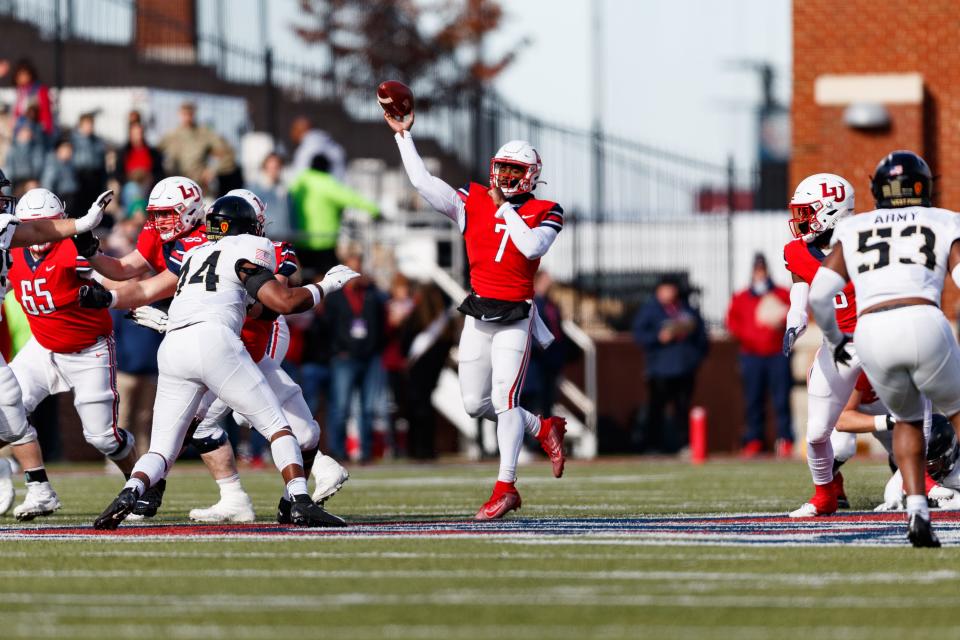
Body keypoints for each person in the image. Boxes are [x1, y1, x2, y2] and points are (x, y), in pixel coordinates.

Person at [92, 195, 360, 529]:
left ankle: (133, 490)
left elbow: (161, 291)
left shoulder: (192, 253)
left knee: (164, 446)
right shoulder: (252, 250)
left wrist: (111, 295)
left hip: (177, 344)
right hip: (221, 343)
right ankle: (299, 499)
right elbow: (280, 302)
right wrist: (326, 285)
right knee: (277, 426)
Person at [386, 108, 568, 520]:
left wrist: (504, 208)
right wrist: (403, 137)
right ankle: (542, 427)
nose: (503, 177)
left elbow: (531, 248)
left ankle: (506, 486)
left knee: (505, 400)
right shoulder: (472, 201)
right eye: (501, 168)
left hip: (516, 315)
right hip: (479, 310)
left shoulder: (546, 209)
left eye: (513, 169)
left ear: (530, 174)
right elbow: (422, 182)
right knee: (473, 402)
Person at [808, 150, 960, 547]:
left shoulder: (853, 228)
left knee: (907, 420)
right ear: (923, 187)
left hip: (871, 330)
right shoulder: (944, 220)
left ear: (878, 191)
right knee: (957, 410)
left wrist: (835, 339)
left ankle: (917, 512)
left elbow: (821, 295)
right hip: (923, 318)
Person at [5, 187, 138, 517]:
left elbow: (115, 283)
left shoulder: (73, 248)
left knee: (103, 438)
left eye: (47, 222)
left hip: (88, 349)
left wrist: (128, 300)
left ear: (60, 221)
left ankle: (139, 485)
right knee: (7, 413)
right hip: (43, 347)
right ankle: (38, 489)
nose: (39, 231)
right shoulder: (12, 250)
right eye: (32, 223)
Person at [780, 173, 859, 518]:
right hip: (836, 344)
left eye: (807, 211)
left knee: (914, 412)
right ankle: (825, 495)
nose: (800, 220)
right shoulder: (798, 251)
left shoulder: (865, 241)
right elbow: (800, 290)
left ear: (830, 211)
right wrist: (794, 322)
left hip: (877, 338)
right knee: (815, 434)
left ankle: (926, 485)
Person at [725, 253, 793, 457]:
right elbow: (732, 322)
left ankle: (785, 439)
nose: (760, 274)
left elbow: (797, 311)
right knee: (753, 400)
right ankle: (754, 439)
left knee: (781, 399)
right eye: (757, 270)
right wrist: (750, 336)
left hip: (777, 354)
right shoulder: (741, 297)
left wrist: (781, 318)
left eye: (762, 270)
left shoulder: (781, 293)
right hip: (752, 355)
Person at [632, 277, 708, 454]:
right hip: (660, 369)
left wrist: (694, 358)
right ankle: (653, 446)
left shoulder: (685, 309)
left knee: (683, 409)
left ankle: (684, 445)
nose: (669, 293)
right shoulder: (650, 310)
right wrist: (658, 338)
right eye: (666, 289)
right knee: (656, 409)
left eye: (672, 289)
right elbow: (639, 335)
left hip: (684, 368)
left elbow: (700, 335)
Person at [323, 247, 385, 462]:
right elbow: (327, 326)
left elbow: (381, 322)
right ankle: (338, 451)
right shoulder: (335, 297)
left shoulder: (371, 294)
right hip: (344, 358)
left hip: (370, 357)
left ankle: (366, 452)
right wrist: (337, 350)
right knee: (341, 407)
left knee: (369, 408)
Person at [288, 153, 380, 274]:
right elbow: (352, 198)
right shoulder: (328, 183)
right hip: (324, 241)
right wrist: (375, 210)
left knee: (304, 279)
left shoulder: (299, 182)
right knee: (328, 280)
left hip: (300, 239)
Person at [400, 283, 454, 460]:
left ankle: (415, 449)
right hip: (432, 370)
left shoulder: (416, 317)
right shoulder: (443, 321)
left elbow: (405, 343)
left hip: (417, 370)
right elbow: (446, 344)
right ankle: (428, 449)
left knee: (415, 408)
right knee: (426, 408)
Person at [158, 102, 241, 196]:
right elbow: (154, 155)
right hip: (175, 191)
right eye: (184, 114)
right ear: (179, 114)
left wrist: (212, 171)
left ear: (194, 114)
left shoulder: (204, 134)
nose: (187, 117)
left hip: (199, 189)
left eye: (190, 114)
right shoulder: (171, 136)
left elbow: (228, 154)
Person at [522, 270, 567, 418]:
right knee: (534, 410)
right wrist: (539, 345)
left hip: (550, 365)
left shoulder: (550, 304)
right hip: (535, 368)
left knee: (546, 408)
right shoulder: (532, 303)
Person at [248, 151, 292, 241]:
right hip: (264, 240)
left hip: (283, 239)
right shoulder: (254, 190)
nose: (274, 171)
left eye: (277, 167)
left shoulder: (284, 189)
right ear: (265, 168)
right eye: (271, 167)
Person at [71, 113, 108, 212]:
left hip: (95, 177)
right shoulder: (73, 141)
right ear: (80, 125)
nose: (89, 127)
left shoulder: (98, 142)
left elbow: (102, 163)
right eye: (86, 124)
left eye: (91, 125)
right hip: (79, 177)